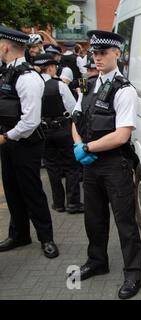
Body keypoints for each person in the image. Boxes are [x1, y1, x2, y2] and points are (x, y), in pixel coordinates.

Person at [70, 30, 141, 300]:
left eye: (103, 53)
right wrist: (78, 145)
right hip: (90, 165)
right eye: (95, 53)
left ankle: (134, 273)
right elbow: (76, 120)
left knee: (125, 221)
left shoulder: (125, 90)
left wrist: (87, 148)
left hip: (115, 165)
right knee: (94, 218)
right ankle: (97, 261)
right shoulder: (87, 85)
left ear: (117, 54)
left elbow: (121, 134)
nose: (97, 58)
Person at [0, 26, 59, 258]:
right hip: (8, 141)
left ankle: (47, 238)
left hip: (25, 143)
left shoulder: (28, 77)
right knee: (12, 190)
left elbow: (31, 121)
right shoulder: (5, 72)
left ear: (5, 47)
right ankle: (19, 234)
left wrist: (6, 137)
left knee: (32, 191)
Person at [33, 53, 83, 214]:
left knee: (52, 167)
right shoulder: (59, 85)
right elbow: (72, 107)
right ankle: (73, 202)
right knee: (71, 167)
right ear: (50, 67)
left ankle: (58, 203)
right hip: (62, 129)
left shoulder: (32, 85)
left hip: (43, 130)